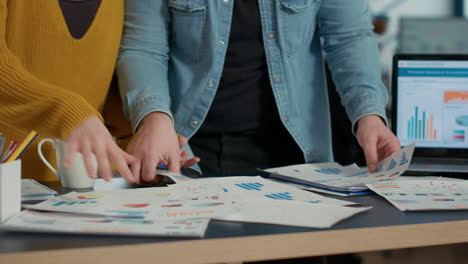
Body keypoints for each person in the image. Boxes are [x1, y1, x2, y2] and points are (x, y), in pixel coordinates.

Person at [117, 0, 401, 182]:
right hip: (186, 150)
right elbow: (144, 46)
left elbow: (349, 37)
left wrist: (368, 115)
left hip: (293, 153)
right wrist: (153, 117)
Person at [0, 0, 196, 184]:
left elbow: (100, 81)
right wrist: (71, 113)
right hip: (11, 187)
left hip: (85, 194)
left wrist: (142, 149)